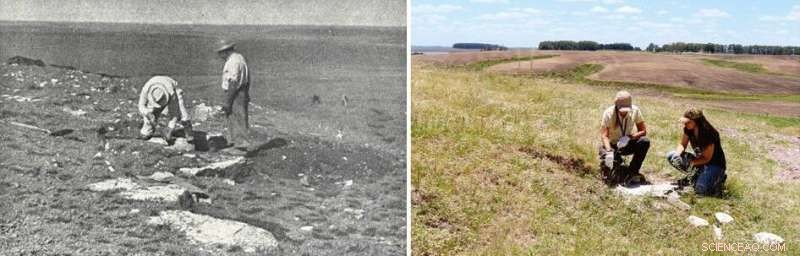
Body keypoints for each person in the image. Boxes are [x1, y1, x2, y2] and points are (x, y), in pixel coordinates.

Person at [666, 107, 727, 195]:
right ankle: (696, 176)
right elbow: (682, 144)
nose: (685, 124)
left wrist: (690, 163)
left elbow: (707, 159)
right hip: (700, 162)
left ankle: (718, 178)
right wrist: (677, 154)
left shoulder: (709, 133)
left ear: (697, 121)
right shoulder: (688, 129)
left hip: (714, 165)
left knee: (700, 190)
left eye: (688, 122)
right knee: (671, 155)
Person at [599, 91, 650, 184]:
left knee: (644, 141)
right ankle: (610, 169)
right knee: (612, 174)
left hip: (627, 144)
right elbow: (604, 135)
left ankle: (633, 172)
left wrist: (629, 137)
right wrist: (609, 151)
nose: (624, 111)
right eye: (621, 109)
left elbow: (643, 131)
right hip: (612, 145)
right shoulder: (608, 113)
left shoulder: (635, 111)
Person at [216, 40, 251, 150]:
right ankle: (234, 143)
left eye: (220, 53)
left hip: (235, 92)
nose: (219, 56)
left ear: (225, 51)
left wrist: (228, 101)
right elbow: (247, 78)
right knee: (234, 117)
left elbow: (233, 82)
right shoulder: (240, 58)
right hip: (241, 91)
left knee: (237, 117)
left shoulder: (233, 62)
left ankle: (240, 146)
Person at [137, 76, 192, 144]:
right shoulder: (146, 89)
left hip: (174, 88)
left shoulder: (171, 92)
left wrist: (170, 128)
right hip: (158, 89)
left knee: (182, 112)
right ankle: (147, 131)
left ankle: (188, 133)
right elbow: (141, 106)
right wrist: (148, 113)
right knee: (151, 114)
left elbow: (174, 113)